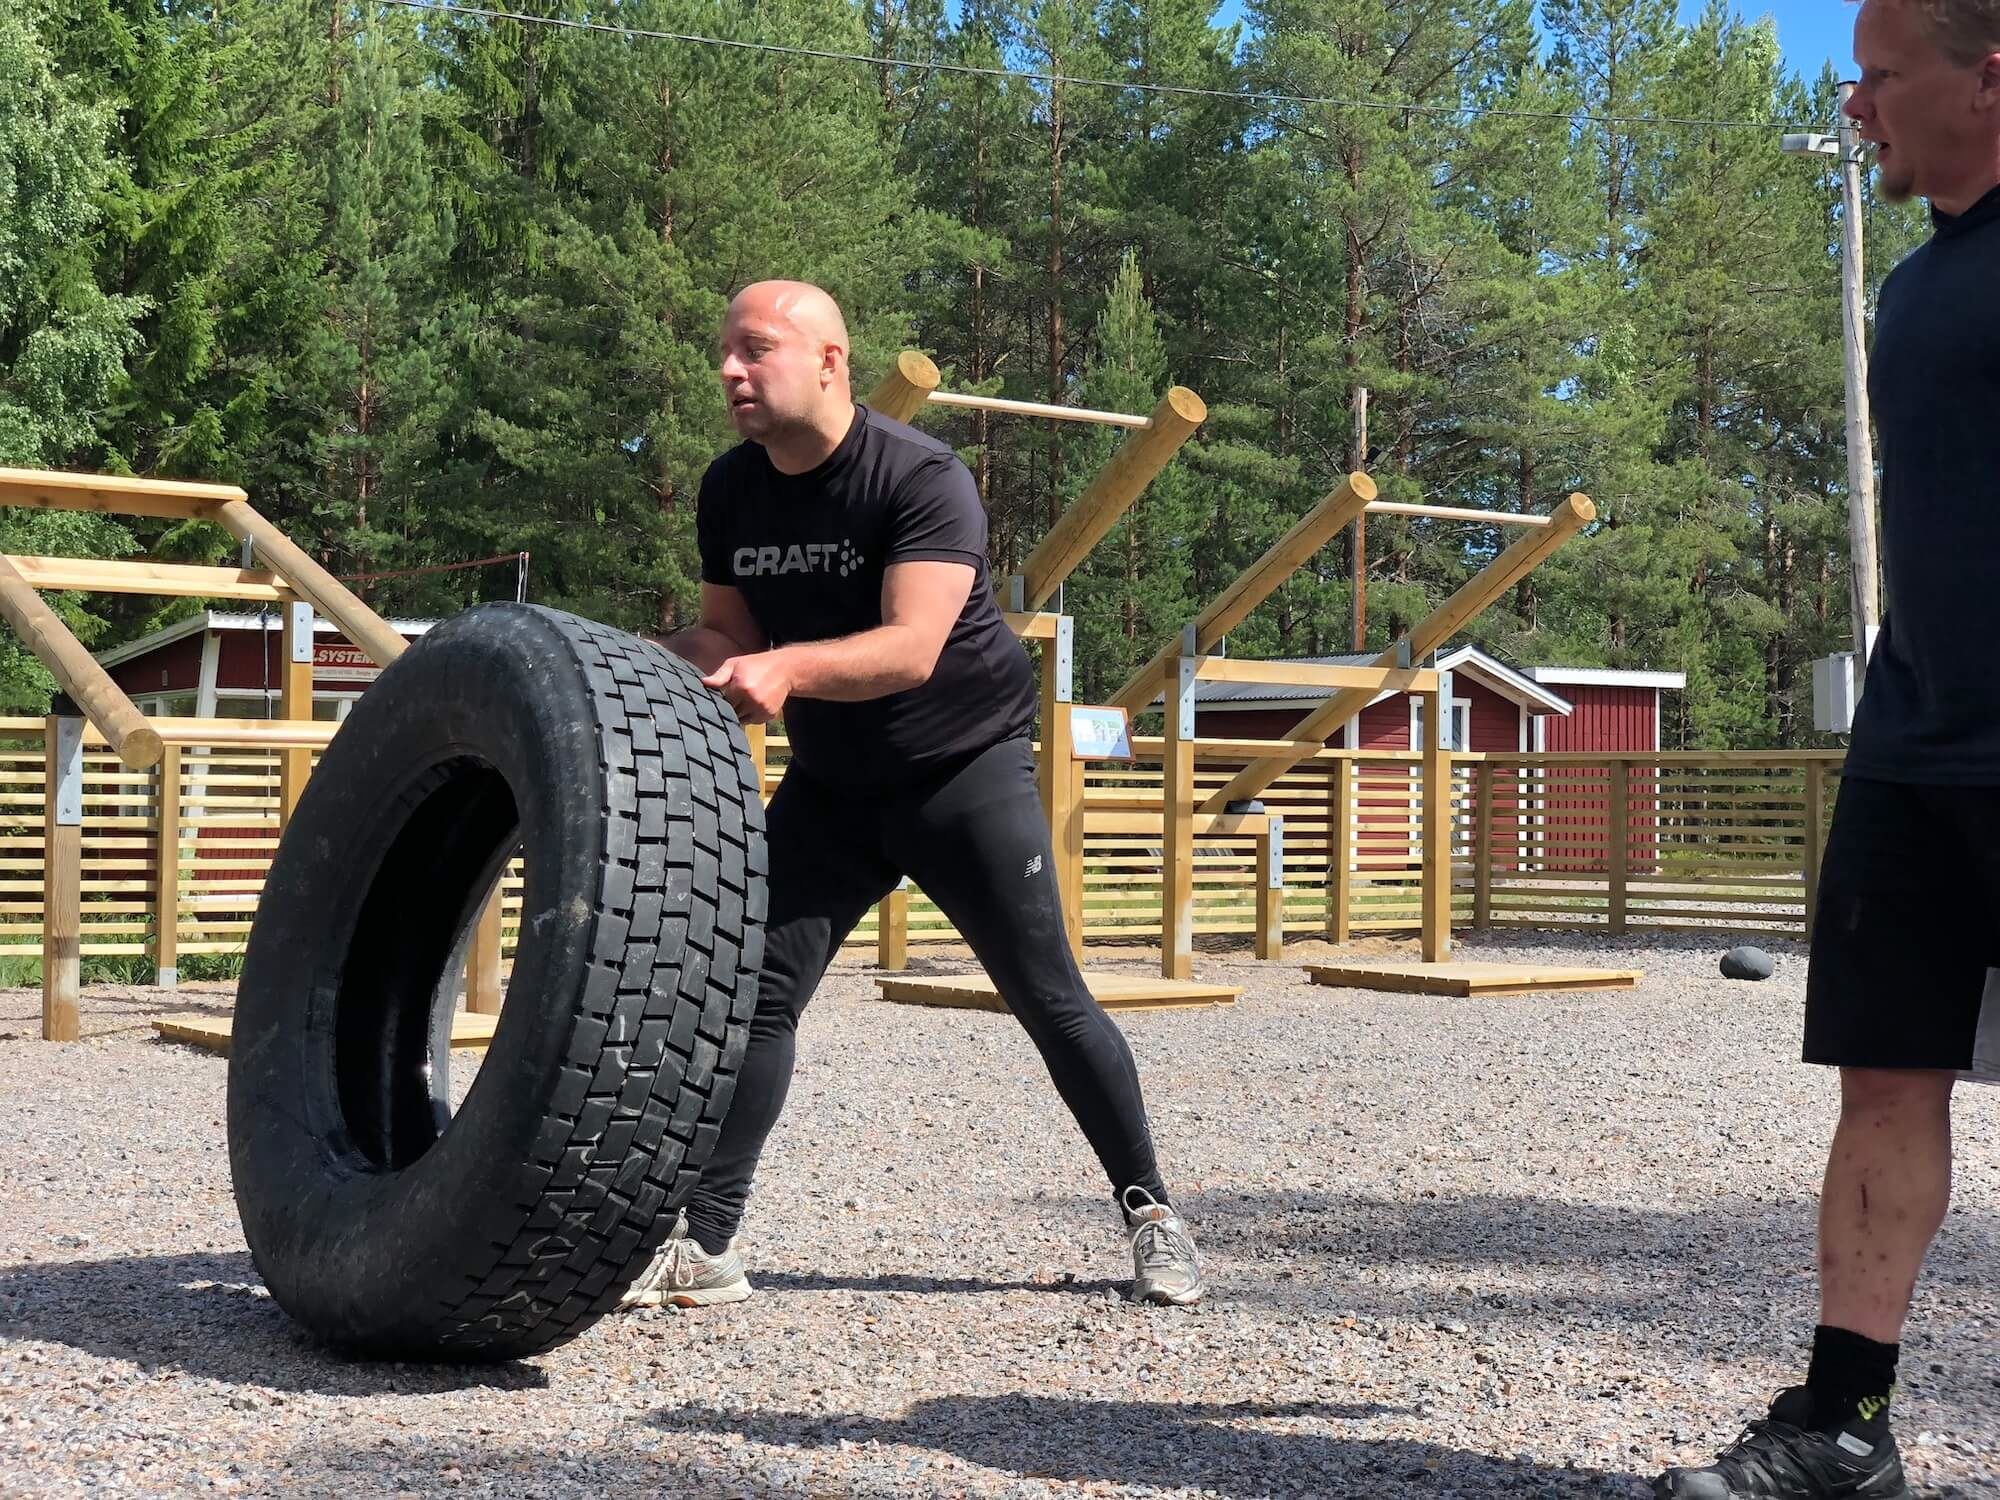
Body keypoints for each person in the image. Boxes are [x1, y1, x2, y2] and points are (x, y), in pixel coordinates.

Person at [618, 279, 1205, 1313]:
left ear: (830, 362)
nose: (727, 371)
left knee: (1049, 998)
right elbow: (725, 638)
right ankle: (705, 1246)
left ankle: (1151, 1213)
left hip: (958, 772)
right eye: (725, 351)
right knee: (755, 998)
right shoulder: (730, 488)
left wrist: (787, 670)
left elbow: (910, 647)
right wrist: (627, 662)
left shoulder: (920, 476)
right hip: (834, 786)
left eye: (753, 350)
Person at [1654, 2, 2000, 1497]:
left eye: (1878, 74)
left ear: (1990, 74)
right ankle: (1845, 1426)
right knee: (1885, 1082)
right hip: (1916, 744)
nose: (1854, 103)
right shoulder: (1916, 287)